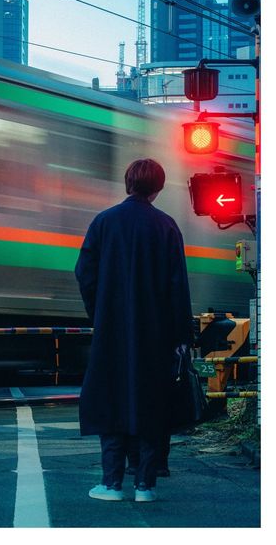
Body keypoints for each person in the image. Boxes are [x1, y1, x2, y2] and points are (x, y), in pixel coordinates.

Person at [75, 158, 194, 503]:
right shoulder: (167, 227)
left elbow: (84, 273)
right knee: (151, 403)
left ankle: (111, 483)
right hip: (155, 335)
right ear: (158, 188)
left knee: (110, 400)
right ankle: (146, 485)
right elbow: (177, 287)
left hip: (111, 332)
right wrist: (181, 338)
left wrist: (100, 312)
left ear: (128, 183)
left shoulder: (103, 222)